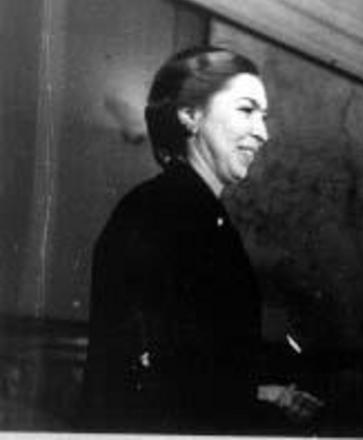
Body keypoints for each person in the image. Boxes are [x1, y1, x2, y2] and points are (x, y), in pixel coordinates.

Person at [80, 46, 322, 433]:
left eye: (263, 116)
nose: (263, 133)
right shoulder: (164, 214)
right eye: (246, 110)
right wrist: (268, 413)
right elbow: (163, 390)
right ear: (190, 114)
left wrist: (265, 394)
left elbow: (194, 369)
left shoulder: (192, 212)